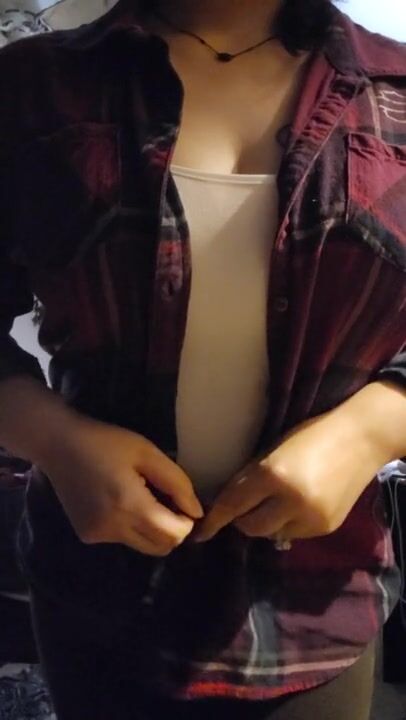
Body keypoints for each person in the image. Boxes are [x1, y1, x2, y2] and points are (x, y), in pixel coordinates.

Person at [0, 0, 405, 717]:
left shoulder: (397, 94)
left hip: (315, 605)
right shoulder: (29, 89)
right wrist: (54, 438)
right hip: (97, 592)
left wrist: (374, 427)